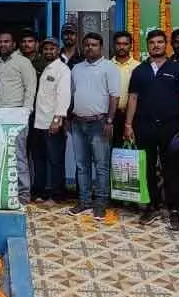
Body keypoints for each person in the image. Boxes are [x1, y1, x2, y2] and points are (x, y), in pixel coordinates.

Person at [125, 29, 179, 231]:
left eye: (160, 42)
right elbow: (133, 98)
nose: (156, 45)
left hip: (171, 125)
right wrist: (128, 124)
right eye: (152, 42)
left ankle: (174, 210)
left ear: (166, 45)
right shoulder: (140, 71)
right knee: (147, 169)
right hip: (144, 125)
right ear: (147, 46)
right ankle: (152, 206)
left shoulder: (177, 69)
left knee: (172, 168)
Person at [69, 32, 120, 219]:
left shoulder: (109, 67)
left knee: (101, 165)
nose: (90, 48)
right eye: (87, 45)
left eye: (94, 45)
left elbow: (114, 96)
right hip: (78, 122)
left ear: (101, 47)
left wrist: (109, 120)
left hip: (100, 123)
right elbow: (73, 94)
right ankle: (84, 201)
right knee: (81, 165)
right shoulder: (76, 68)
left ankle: (100, 203)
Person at [0, 31, 37, 204]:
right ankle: (6, 190)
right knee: (2, 156)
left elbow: (30, 88)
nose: (3, 45)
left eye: (7, 42)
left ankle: (24, 194)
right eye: (0, 42)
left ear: (13, 45)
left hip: (16, 114)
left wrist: (25, 113)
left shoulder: (23, 62)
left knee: (18, 156)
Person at [30, 38, 70, 203]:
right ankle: (40, 192)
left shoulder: (62, 69)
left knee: (55, 159)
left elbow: (63, 95)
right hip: (37, 122)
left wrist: (57, 118)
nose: (48, 52)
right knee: (38, 159)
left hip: (52, 121)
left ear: (57, 50)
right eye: (46, 49)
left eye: (52, 49)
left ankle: (57, 194)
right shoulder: (40, 67)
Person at [110, 30, 139, 149]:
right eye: (118, 44)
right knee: (112, 151)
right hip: (111, 116)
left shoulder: (138, 67)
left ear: (130, 45)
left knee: (131, 152)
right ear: (114, 45)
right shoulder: (106, 66)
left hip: (133, 117)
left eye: (125, 44)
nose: (121, 47)